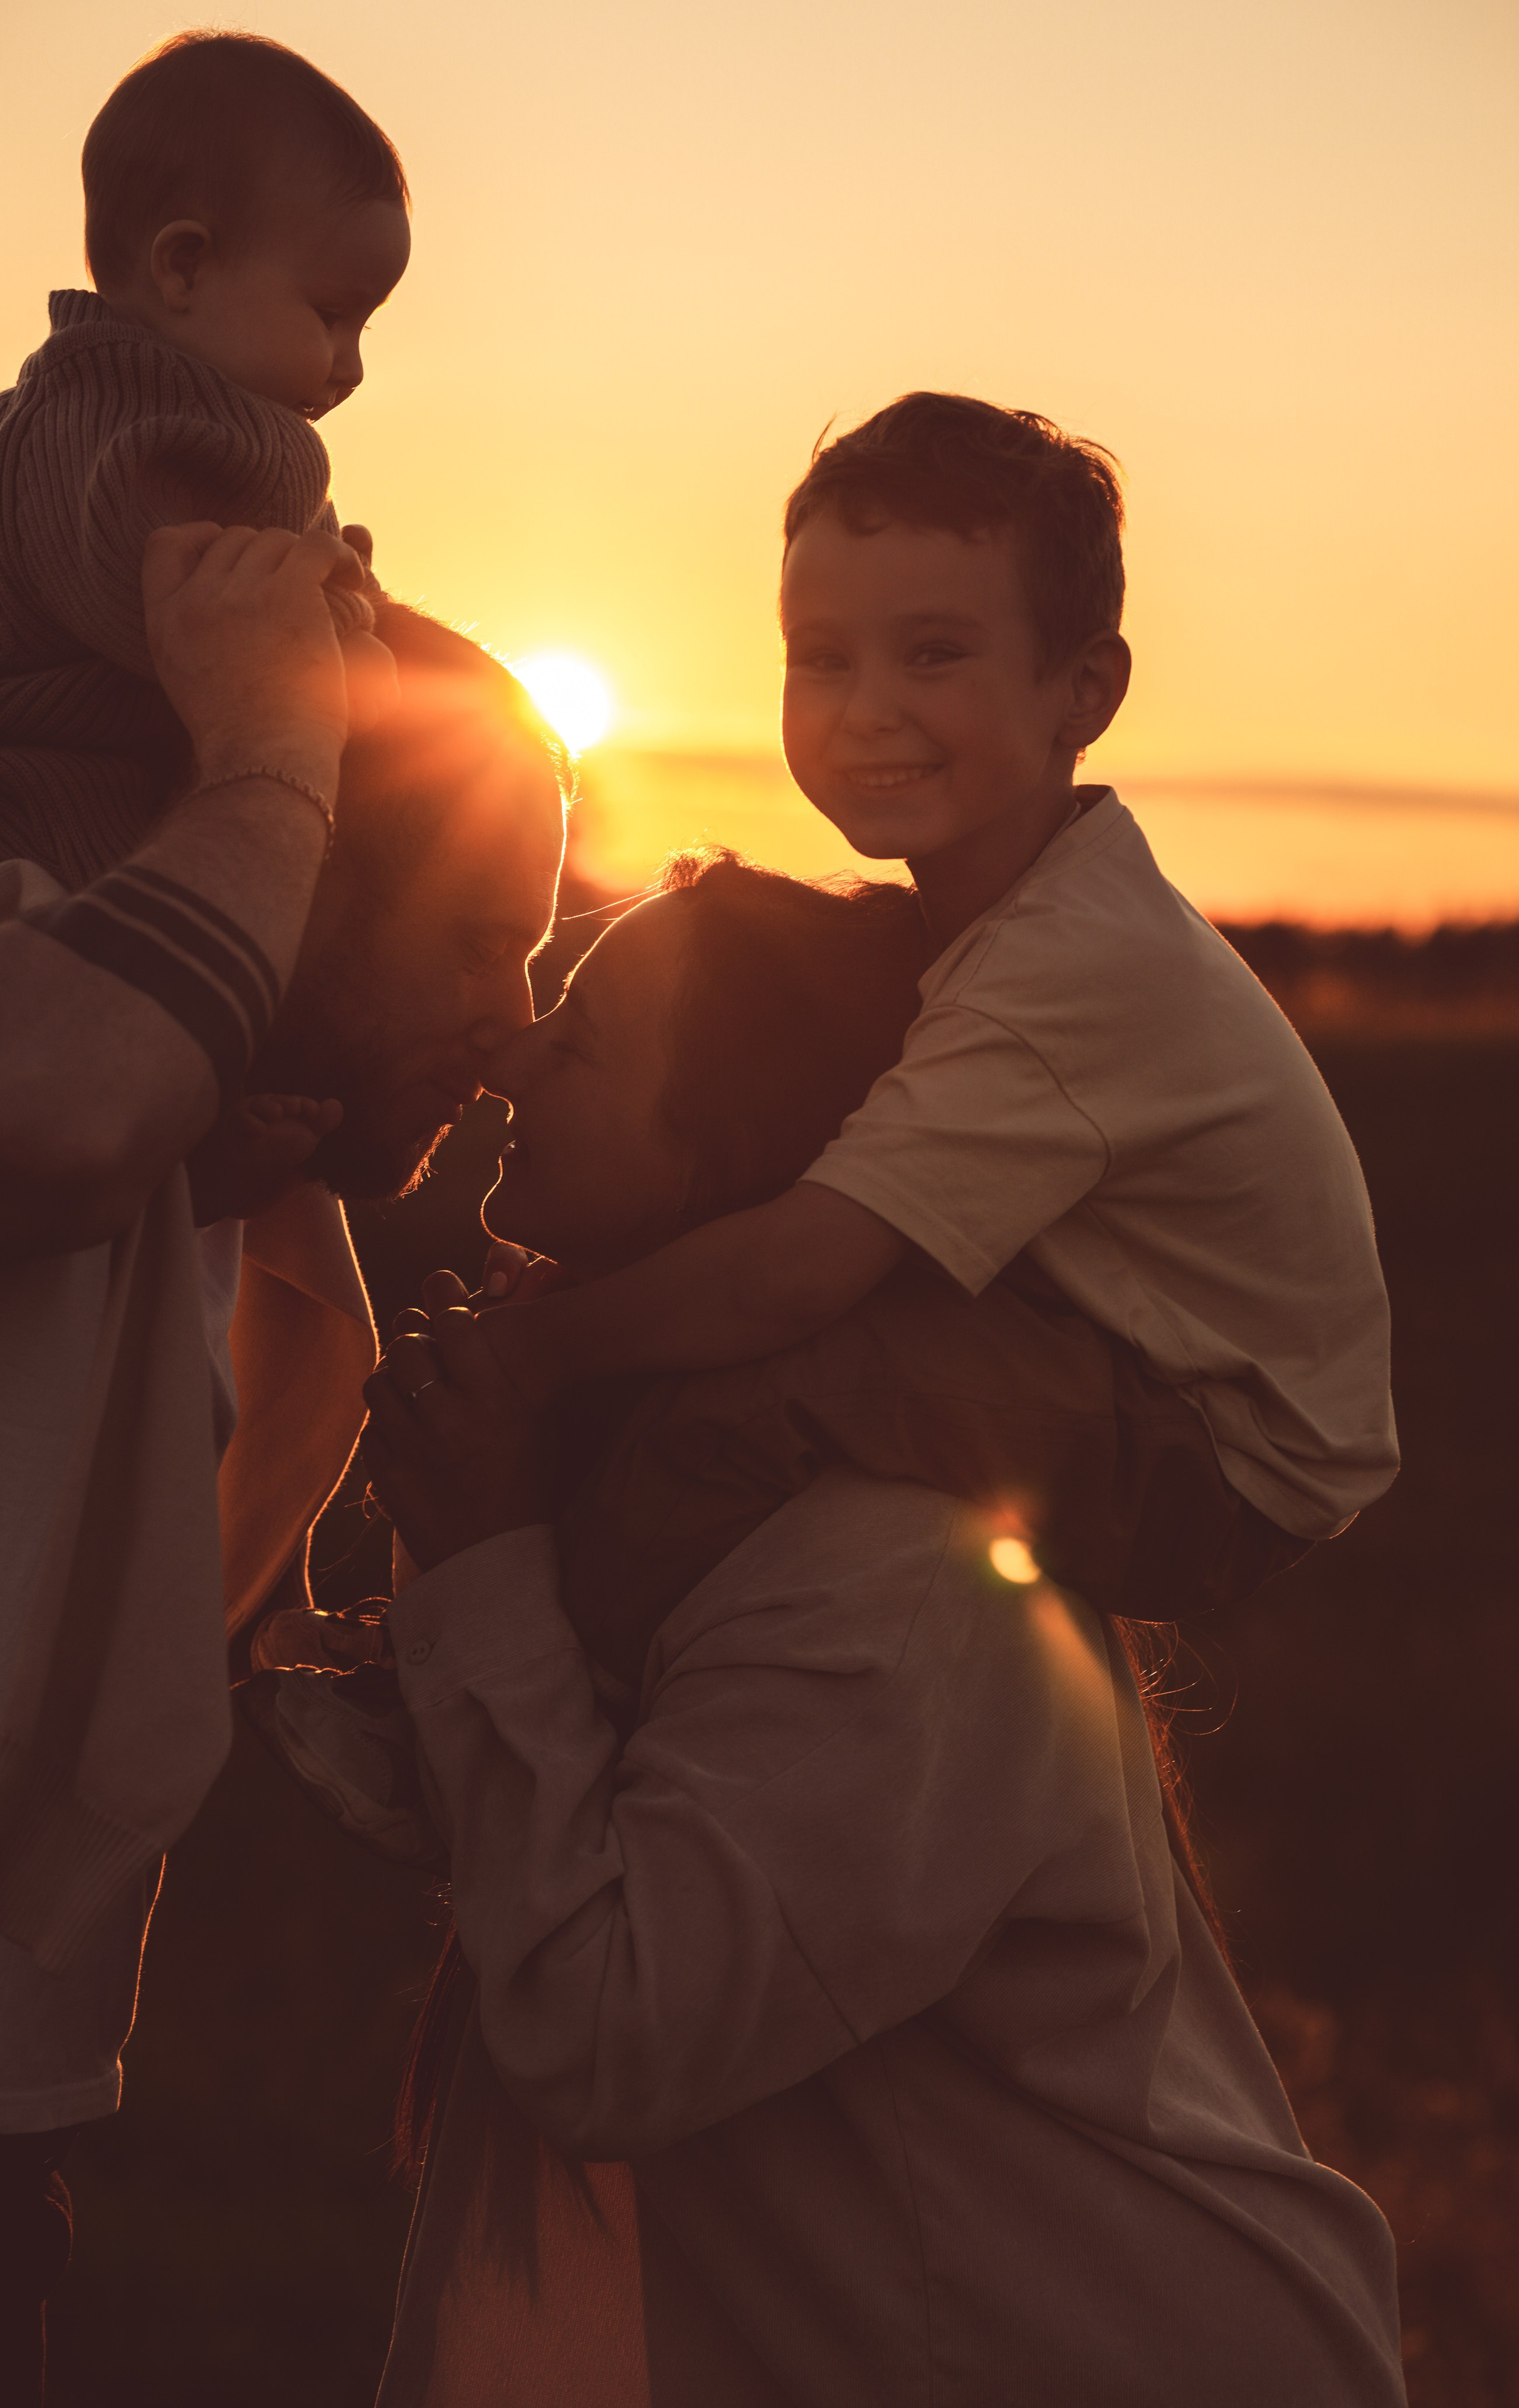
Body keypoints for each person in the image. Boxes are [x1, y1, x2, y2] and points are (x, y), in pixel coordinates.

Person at [357, 855, 1408, 2407]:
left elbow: (605, 2033)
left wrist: (484, 1566)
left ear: (735, 1156)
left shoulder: (888, 1578)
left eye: (578, 1041)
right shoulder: (703, 1488)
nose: (508, 1055)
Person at [0, 531, 565, 2404]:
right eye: (469, 935)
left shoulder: (258, 1211)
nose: (511, 1026)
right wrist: (278, 744)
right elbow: (9, 1109)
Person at [480, 393, 1398, 1599]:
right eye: (825, 658)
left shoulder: (1071, 968)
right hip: (1116, 1367)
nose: (867, 707)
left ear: (1084, 692)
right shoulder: (1015, 918)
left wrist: (533, 1354)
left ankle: (556, 1674)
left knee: (765, 1377)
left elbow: (797, 1270)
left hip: (1221, 1451)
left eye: (934, 653)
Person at [0, 29, 409, 890]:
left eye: (364, 326)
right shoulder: (136, 440)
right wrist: (356, 634)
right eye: (331, 315)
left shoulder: (84, 407)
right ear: (185, 267)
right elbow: (237, 644)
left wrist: (341, 589)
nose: (350, 364)